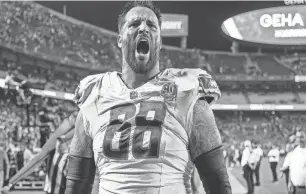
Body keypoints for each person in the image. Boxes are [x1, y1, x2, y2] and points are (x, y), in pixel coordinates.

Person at [65, 1, 231, 194]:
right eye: (134, 24)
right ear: (120, 40)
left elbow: (218, 185)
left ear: (159, 41)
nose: (143, 28)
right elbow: (76, 185)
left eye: (151, 25)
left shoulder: (186, 90)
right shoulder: (95, 94)